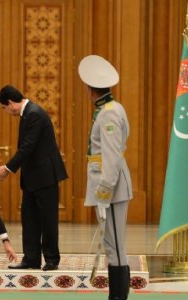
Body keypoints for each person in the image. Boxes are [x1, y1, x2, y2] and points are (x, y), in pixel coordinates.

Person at [0, 85, 68, 271]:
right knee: (30, 219)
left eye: (4, 108)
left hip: (45, 176)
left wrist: (8, 168)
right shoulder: (27, 113)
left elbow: (27, 147)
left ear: (10, 103)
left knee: (47, 219)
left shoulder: (34, 113)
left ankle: (51, 259)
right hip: (33, 178)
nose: (6, 112)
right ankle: (31, 259)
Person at [78, 55, 133, 300]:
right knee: (113, 245)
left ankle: (118, 298)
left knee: (115, 247)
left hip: (111, 188)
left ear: (90, 90)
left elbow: (111, 155)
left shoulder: (108, 114)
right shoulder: (113, 108)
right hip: (110, 185)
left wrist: (104, 190)